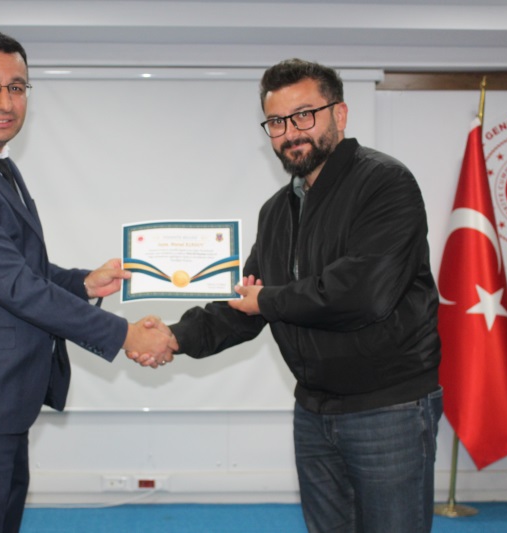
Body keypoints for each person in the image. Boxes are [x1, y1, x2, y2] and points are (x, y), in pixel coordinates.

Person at [140, 59, 443, 532]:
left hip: (388, 410)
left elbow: (362, 294)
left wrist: (266, 301)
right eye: (277, 122)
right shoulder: (277, 211)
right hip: (313, 411)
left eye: (304, 115)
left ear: (339, 114)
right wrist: (174, 337)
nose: (290, 133)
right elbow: (245, 303)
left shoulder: (385, 184)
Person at [0, 30, 173, 533]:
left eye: (17, 87)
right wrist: (125, 335)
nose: (5, 102)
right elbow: (17, 288)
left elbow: (16, 270)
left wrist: (83, 283)